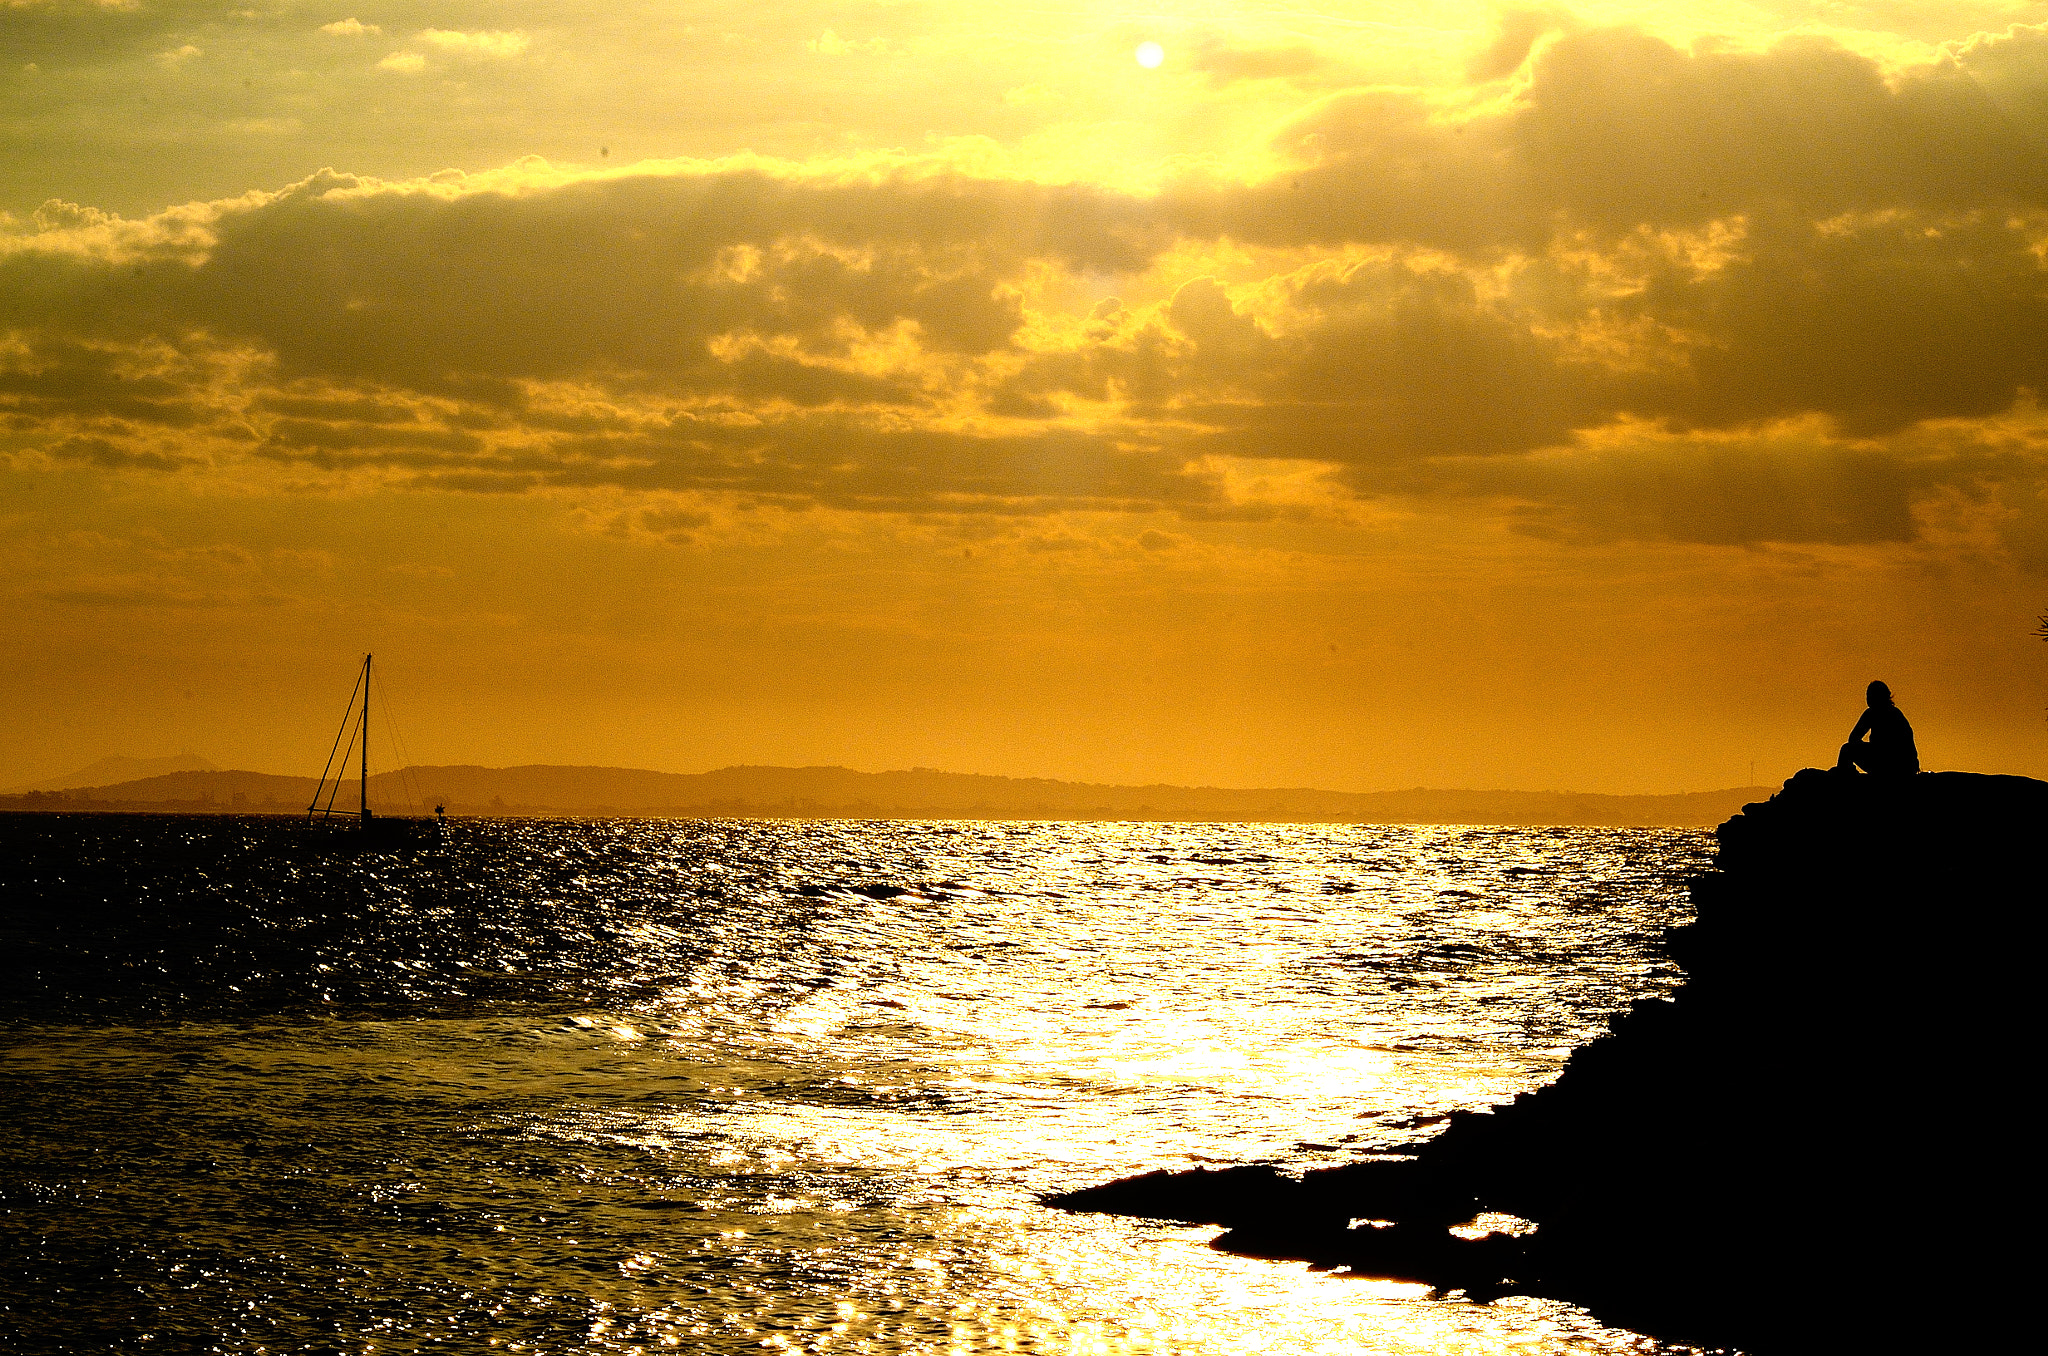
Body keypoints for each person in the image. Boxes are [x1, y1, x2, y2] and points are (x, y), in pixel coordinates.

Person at [1835, 681, 1918, 777]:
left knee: (1846, 749)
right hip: (1903, 766)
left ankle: (1843, 776)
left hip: (1895, 765)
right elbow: (1854, 738)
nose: (1867, 698)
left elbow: (1853, 739)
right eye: (1867, 695)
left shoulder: (1879, 714)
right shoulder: (1894, 713)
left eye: (1870, 695)